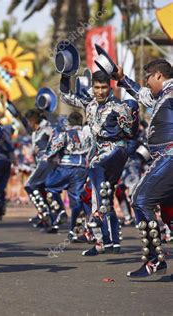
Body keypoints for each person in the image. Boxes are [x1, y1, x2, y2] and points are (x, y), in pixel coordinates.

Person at [61, 70, 135, 256]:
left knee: (96, 176)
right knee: (101, 194)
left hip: (116, 152)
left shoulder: (119, 107)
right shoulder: (89, 103)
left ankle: (98, 220)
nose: (100, 91)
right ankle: (109, 242)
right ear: (92, 87)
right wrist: (65, 74)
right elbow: (65, 96)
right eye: (97, 87)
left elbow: (130, 133)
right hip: (98, 154)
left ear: (110, 87)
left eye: (104, 87)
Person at [112, 59, 173, 277]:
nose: (145, 83)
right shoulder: (162, 96)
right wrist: (121, 79)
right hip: (164, 157)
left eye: (147, 77)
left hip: (170, 156)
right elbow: (142, 94)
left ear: (158, 75)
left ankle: (154, 261)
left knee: (140, 199)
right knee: (168, 211)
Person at [44, 112, 90, 237]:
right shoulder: (87, 134)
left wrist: (47, 156)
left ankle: (60, 211)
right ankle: (74, 231)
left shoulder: (65, 133)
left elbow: (53, 149)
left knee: (49, 186)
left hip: (65, 166)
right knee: (76, 198)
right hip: (81, 168)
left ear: (69, 122)